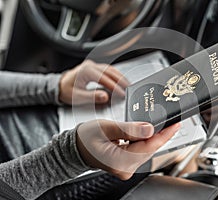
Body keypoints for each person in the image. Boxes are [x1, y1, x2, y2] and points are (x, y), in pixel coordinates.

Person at [0, 59, 180, 199]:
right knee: (173, 153)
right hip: (34, 180)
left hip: (38, 111)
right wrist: (67, 157)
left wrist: (54, 86)